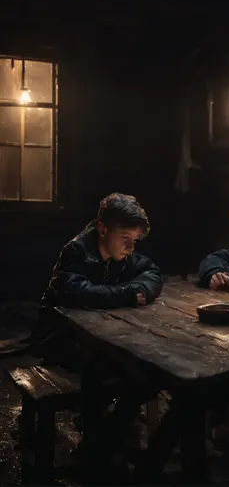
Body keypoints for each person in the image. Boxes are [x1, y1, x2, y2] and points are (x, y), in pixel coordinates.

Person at [31, 193, 163, 475]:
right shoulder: (77, 251)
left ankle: (101, 441)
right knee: (102, 368)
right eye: (125, 238)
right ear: (103, 228)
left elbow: (151, 274)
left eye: (135, 241)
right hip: (59, 338)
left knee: (146, 374)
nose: (131, 247)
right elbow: (76, 292)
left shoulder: (125, 253)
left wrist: (141, 289)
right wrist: (128, 293)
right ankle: (99, 446)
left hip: (99, 338)